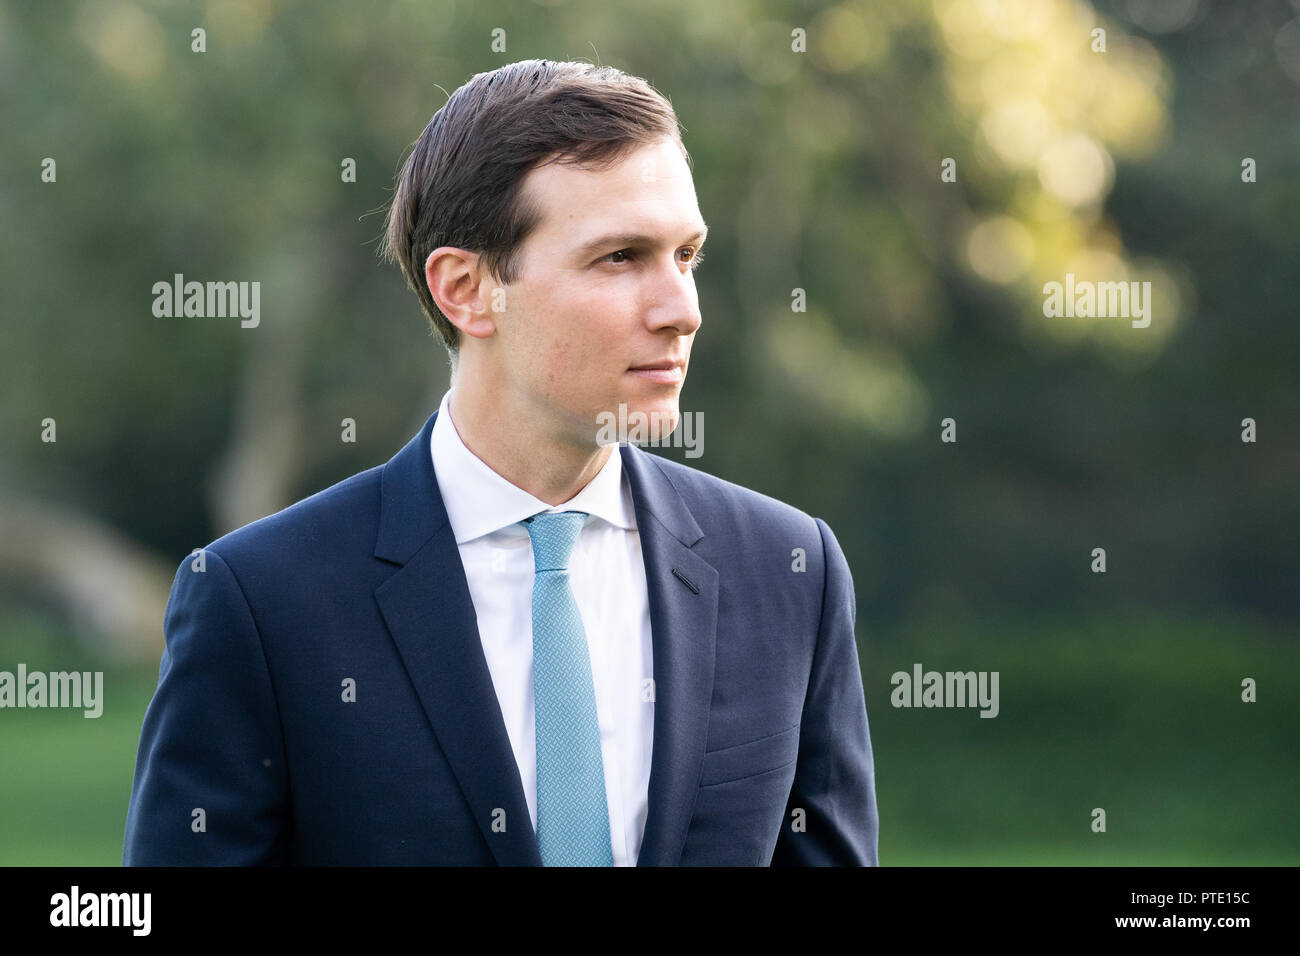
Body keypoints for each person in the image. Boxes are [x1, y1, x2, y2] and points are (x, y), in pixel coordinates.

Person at [123, 59, 878, 866]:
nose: (681, 309)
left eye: (685, 255)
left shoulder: (790, 570)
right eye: (621, 257)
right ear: (465, 289)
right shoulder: (262, 604)